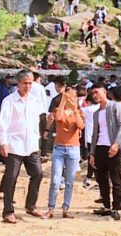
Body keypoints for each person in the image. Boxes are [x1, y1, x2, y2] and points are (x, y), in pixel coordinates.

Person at [0, 70, 46, 224]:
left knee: (37, 173)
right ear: (18, 83)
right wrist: (2, 142)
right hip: (14, 145)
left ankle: (31, 205)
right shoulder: (9, 101)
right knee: (11, 179)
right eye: (25, 83)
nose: (28, 86)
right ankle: (8, 211)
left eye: (30, 83)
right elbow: (3, 122)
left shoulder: (35, 101)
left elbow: (37, 121)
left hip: (31, 145)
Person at [45, 88, 84, 219]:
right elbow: (59, 117)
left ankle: (66, 208)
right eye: (68, 96)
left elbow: (81, 125)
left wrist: (74, 109)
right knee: (55, 181)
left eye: (73, 97)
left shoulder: (78, 112)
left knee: (70, 182)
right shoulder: (58, 110)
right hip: (59, 148)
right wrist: (63, 101)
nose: (71, 99)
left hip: (73, 148)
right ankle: (51, 208)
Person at [89, 83, 121, 220]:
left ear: (104, 92)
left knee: (116, 178)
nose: (95, 95)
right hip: (99, 147)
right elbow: (94, 133)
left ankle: (116, 207)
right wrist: (92, 152)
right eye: (93, 93)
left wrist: (116, 143)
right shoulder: (96, 113)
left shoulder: (115, 106)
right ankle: (106, 205)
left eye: (97, 92)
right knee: (101, 178)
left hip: (112, 147)